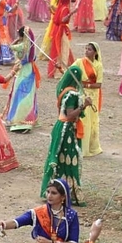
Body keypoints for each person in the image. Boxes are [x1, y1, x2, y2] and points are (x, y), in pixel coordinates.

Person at [41, 66, 90, 205]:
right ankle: (67, 192)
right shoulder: (72, 94)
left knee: (58, 158)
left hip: (60, 126)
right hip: (67, 130)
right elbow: (70, 115)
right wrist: (83, 106)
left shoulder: (63, 90)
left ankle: (54, 189)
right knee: (69, 160)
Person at [3, 26, 40, 133]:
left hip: (22, 71)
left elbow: (10, 47)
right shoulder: (32, 46)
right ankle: (28, 118)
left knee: (19, 93)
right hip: (30, 70)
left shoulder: (22, 45)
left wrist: (18, 39)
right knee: (29, 94)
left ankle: (19, 119)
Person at [71, 42, 102, 157]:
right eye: (86, 49)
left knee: (90, 121)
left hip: (92, 96)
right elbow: (70, 72)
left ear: (95, 52)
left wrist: (85, 85)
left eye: (89, 49)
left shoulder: (98, 65)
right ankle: (79, 146)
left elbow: (98, 84)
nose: (86, 51)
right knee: (82, 120)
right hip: (81, 95)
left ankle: (88, 147)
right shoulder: (79, 62)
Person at [47, 0, 75, 78]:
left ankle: (57, 68)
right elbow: (63, 20)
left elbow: (55, 15)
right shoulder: (65, 9)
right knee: (63, 49)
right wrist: (71, 13)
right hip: (62, 31)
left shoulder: (61, 7)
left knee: (57, 48)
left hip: (57, 29)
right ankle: (61, 70)